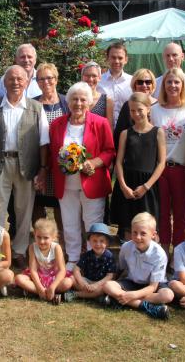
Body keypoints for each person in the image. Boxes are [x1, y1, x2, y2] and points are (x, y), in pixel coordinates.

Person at [0, 65, 50, 267]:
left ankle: (18, 251)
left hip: (26, 166)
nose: (16, 82)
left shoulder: (36, 108)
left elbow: (43, 142)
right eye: (11, 79)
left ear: (27, 82)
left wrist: (43, 169)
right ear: (4, 82)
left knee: (24, 211)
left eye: (20, 79)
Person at [49, 82, 115, 270]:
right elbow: (52, 152)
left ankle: (92, 258)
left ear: (89, 102)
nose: (78, 103)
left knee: (92, 222)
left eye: (82, 99)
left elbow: (109, 151)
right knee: (69, 221)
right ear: (68, 102)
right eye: (74, 99)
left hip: (92, 181)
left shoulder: (100, 123)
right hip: (66, 182)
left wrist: (93, 163)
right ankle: (73, 258)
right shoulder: (57, 124)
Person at [150, 68, 185, 257]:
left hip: (181, 167)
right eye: (169, 82)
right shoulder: (154, 110)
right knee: (162, 214)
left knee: (181, 214)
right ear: (163, 85)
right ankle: (164, 253)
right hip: (160, 168)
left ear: (182, 85)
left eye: (177, 82)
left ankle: (178, 253)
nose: (173, 86)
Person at [110, 92, 166, 242]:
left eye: (139, 110)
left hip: (147, 187)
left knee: (149, 229)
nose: (136, 114)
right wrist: (123, 186)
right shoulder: (125, 133)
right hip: (128, 185)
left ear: (148, 109)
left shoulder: (158, 132)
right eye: (132, 110)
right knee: (128, 230)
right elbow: (119, 162)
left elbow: (161, 163)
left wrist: (146, 186)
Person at [102, 212, 174, 320]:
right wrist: (116, 284)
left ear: (153, 234)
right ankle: (148, 307)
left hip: (152, 286)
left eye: (143, 233)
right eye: (134, 232)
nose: (137, 237)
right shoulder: (126, 247)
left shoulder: (159, 254)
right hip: (132, 282)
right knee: (108, 286)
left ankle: (118, 299)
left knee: (168, 295)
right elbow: (121, 269)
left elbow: (153, 286)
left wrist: (133, 295)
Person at [32, 63, 68, 238]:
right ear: (37, 82)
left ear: (56, 79)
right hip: (38, 162)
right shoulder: (32, 104)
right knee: (37, 202)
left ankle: (61, 240)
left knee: (60, 203)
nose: (46, 82)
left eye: (49, 78)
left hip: (61, 163)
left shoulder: (67, 102)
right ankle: (41, 239)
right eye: (41, 78)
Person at [14, 218, 75, 304]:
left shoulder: (56, 248)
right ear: (34, 234)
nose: (42, 241)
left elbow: (62, 270)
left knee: (68, 282)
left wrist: (53, 286)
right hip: (38, 277)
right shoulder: (32, 247)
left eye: (46, 238)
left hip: (54, 277)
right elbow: (33, 270)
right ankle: (45, 293)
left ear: (53, 237)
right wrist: (39, 287)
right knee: (19, 278)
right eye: (38, 237)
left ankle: (45, 292)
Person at [113, 68, 158, 152]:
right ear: (134, 85)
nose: (144, 85)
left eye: (148, 82)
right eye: (140, 82)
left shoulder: (159, 106)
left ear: (153, 84)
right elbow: (118, 134)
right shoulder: (128, 105)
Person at [71, 222, 117, 300]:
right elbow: (76, 269)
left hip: (101, 283)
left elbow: (110, 275)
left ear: (107, 243)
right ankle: (94, 296)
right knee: (72, 279)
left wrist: (96, 285)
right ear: (89, 241)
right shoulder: (87, 255)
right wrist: (82, 282)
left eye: (101, 241)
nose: (98, 244)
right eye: (94, 241)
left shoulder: (109, 256)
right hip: (87, 282)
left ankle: (76, 294)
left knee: (106, 287)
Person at [98, 42, 132, 126]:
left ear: (126, 60)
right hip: (103, 129)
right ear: (107, 58)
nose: (116, 61)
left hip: (126, 130)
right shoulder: (98, 81)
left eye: (120, 58)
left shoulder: (132, 81)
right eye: (113, 57)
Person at [81, 61, 115, 128]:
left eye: (94, 76)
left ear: (99, 78)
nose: (90, 79)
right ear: (82, 77)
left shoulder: (107, 101)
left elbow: (109, 128)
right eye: (87, 75)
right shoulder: (75, 99)